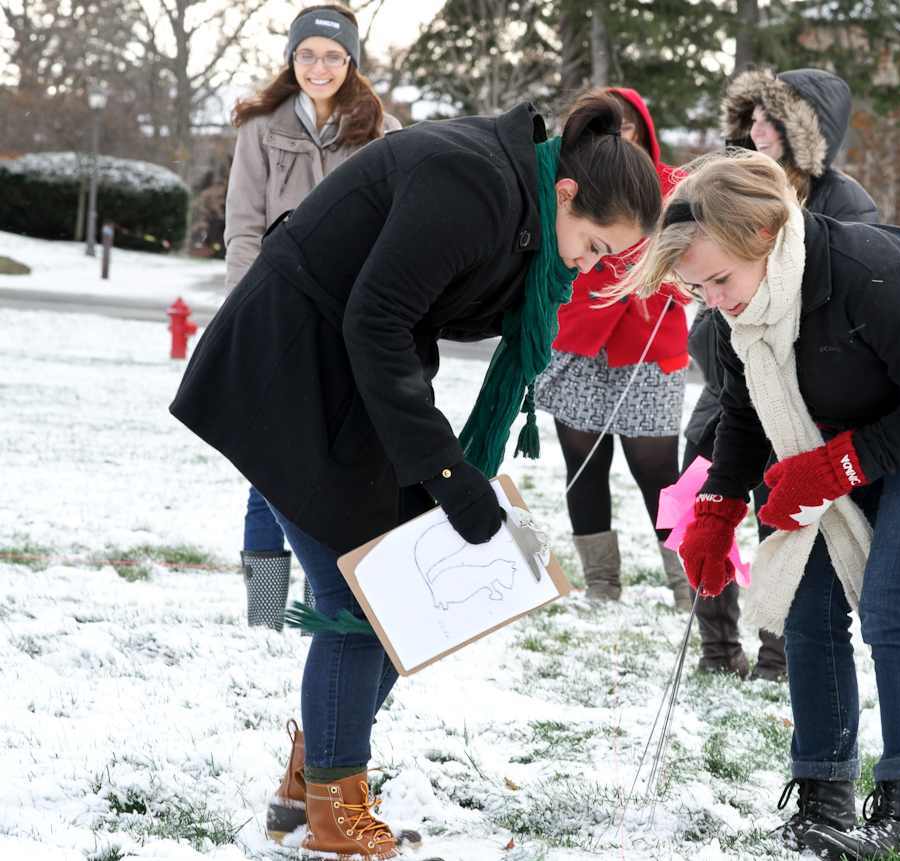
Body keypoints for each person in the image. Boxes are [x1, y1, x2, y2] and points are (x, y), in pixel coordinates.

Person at [170, 92, 662, 860]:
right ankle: (334, 809)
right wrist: (446, 472)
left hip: (349, 372)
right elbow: (378, 319)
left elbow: (428, 310)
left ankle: (312, 781)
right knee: (357, 599)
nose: (589, 266)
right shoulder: (471, 184)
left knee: (399, 595)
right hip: (295, 364)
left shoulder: (519, 202)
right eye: (596, 246)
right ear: (565, 193)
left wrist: (450, 474)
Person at [615, 150, 900, 860]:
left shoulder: (870, 273)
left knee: (894, 603)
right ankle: (821, 791)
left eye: (719, 278)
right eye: (696, 286)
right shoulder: (741, 310)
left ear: (767, 236)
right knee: (806, 602)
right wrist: (717, 502)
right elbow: (743, 409)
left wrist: (839, 465)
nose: (714, 298)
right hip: (838, 429)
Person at [683, 67, 879, 680]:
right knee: (703, 496)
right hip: (732, 383)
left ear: (807, 131)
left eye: (773, 116)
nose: (756, 127)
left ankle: (778, 653)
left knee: (784, 510)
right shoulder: (727, 187)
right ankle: (717, 646)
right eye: (753, 115)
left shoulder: (844, 205)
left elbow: (849, 313)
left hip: (801, 396)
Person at [224, 4, 401, 637]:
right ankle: (265, 615)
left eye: (331, 55)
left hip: (349, 318)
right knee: (268, 453)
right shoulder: (260, 127)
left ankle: (336, 596)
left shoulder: (382, 131)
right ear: (291, 59)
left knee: (330, 455)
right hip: (275, 310)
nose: (318, 66)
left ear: (350, 61)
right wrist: (244, 316)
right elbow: (243, 226)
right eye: (306, 55)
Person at [537, 88, 691, 610]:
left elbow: (691, 268)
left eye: (629, 131)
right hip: (578, 343)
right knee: (584, 465)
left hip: (648, 351)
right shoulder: (563, 188)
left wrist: (649, 283)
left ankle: (688, 578)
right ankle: (601, 583)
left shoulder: (675, 188)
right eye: (611, 132)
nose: (620, 140)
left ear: (643, 134)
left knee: (658, 471)